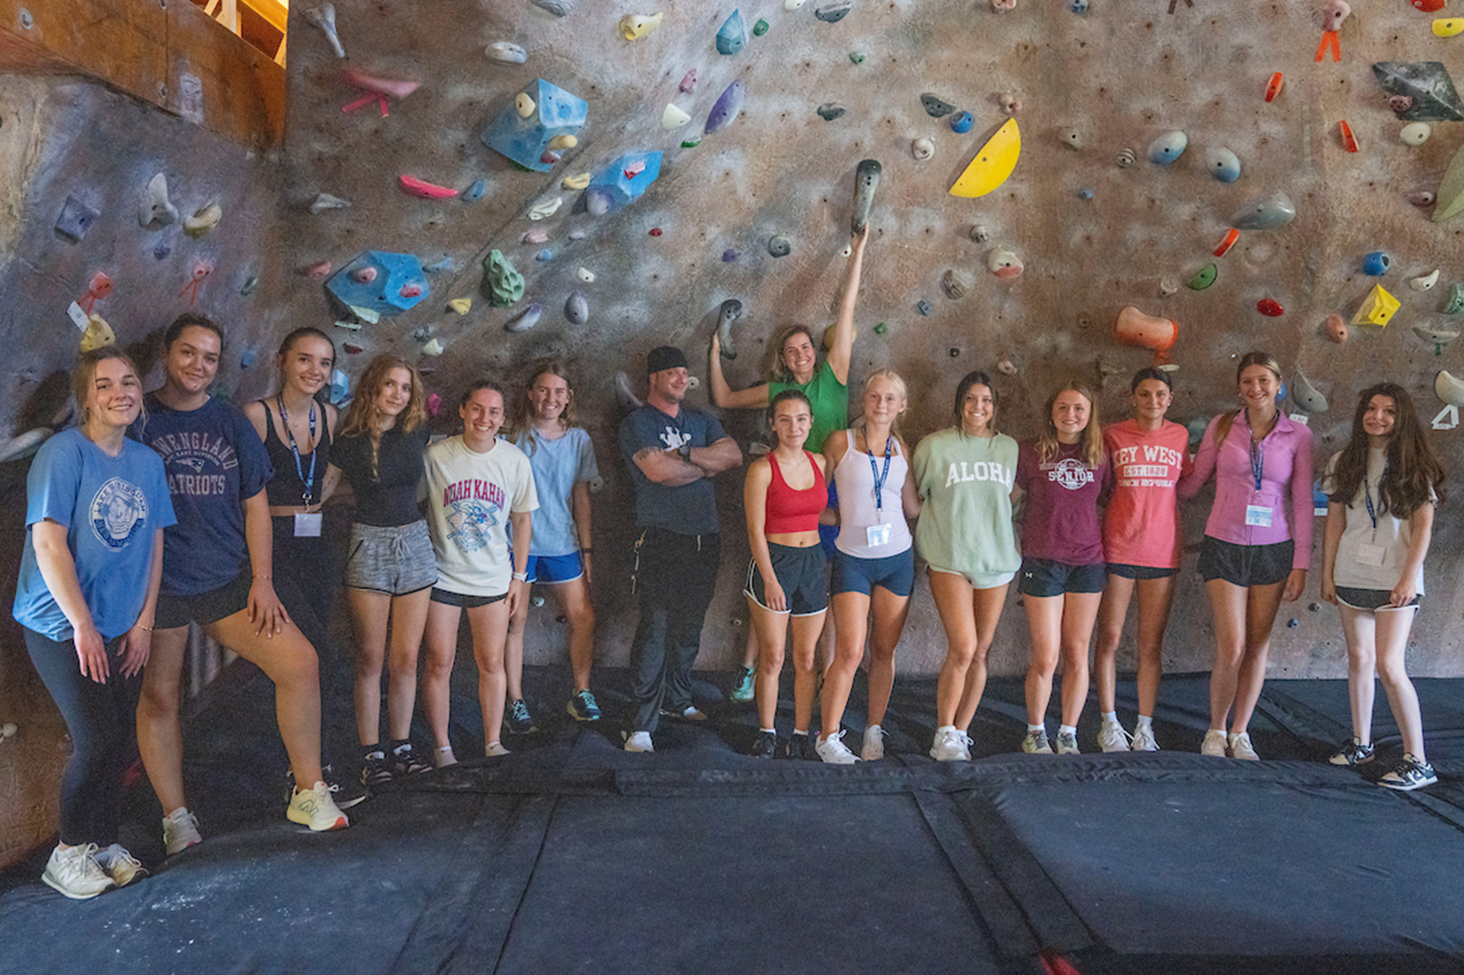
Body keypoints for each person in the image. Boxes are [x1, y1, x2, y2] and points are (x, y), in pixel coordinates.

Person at [134, 314, 348, 849]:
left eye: (209, 357)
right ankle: (176, 816)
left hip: (226, 577)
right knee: (160, 695)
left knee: (301, 662)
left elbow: (256, 506)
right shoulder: (139, 420)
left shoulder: (230, 422)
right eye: (188, 353)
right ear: (167, 353)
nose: (198, 366)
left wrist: (263, 580)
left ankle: (308, 790)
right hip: (158, 585)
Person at [14, 349, 174, 897]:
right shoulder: (63, 454)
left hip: (121, 623)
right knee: (94, 739)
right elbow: (48, 541)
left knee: (118, 738)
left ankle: (102, 844)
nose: (119, 392)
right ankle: (66, 853)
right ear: (86, 397)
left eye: (128, 382)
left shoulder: (146, 463)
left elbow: (154, 544)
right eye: (104, 385)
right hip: (60, 622)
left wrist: (144, 622)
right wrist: (82, 625)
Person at [708, 227, 868, 702]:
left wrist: (856, 251)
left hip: (830, 486)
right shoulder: (778, 393)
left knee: (824, 583)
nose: (801, 354)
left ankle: (823, 675)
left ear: (816, 352)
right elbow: (724, 398)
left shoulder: (834, 375)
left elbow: (847, 308)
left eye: (806, 347)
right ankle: (749, 668)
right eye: (792, 350)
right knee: (773, 581)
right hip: (785, 487)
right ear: (782, 358)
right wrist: (716, 351)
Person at [1180, 351, 1312, 761]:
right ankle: (1216, 730)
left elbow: (1303, 501)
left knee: (1258, 645)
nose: (1256, 389)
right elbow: (1192, 483)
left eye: (1264, 381)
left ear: (1278, 384)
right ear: (1239, 387)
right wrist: (1150, 481)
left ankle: (1241, 732)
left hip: (1275, 549)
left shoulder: (1299, 436)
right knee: (1232, 645)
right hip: (1224, 543)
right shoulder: (1222, 427)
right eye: (1248, 381)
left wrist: (1301, 562)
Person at [1321, 383, 1444, 790]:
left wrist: (1409, 576)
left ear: (1401, 417)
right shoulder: (1344, 461)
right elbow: (1335, 521)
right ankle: (1362, 743)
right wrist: (1327, 573)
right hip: (1351, 574)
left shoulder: (1413, 464)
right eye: (1371, 408)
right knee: (1358, 658)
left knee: (1390, 666)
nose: (1378, 417)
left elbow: (1423, 526)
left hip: (1395, 580)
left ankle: (1418, 761)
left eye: (1388, 411)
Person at [619, 346, 743, 752]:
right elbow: (655, 471)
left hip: (704, 537)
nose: (680, 379)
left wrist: (686, 456)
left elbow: (734, 456)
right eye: (671, 372)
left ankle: (677, 700)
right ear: (653, 378)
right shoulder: (638, 422)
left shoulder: (701, 419)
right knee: (655, 627)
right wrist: (706, 467)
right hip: (659, 537)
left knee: (690, 626)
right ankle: (639, 723)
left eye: (684, 373)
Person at [325, 355, 437, 778]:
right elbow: (322, 490)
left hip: (414, 541)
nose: (397, 394)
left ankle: (403, 745)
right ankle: (372, 753)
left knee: (406, 657)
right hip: (368, 541)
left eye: (405, 387)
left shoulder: (418, 430)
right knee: (371, 656)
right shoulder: (350, 438)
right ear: (373, 386)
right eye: (390, 384)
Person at [420, 381, 538, 761]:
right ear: (462, 410)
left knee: (491, 662)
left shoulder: (515, 460)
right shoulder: (436, 456)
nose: (483, 418)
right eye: (476, 408)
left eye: (493, 412)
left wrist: (519, 578)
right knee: (440, 661)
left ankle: (493, 742)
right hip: (442, 576)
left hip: (493, 578)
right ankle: (442, 747)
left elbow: (522, 523)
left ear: (503, 419)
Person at [913, 372, 1020, 762]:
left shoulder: (1008, 448)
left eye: (987, 400)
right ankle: (943, 732)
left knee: (981, 652)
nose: (979, 407)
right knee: (963, 646)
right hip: (950, 557)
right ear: (960, 403)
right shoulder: (934, 446)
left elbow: (1011, 499)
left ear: (995, 406)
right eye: (971, 399)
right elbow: (918, 497)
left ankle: (962, 731)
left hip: (996, 559)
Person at [818, 370, 920, 763]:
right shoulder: (840, 442)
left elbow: (910, 506)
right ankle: (828, 736)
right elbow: (815, 496)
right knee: (849, 651)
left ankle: (873, 731)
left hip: (897, 558)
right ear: (864, 400)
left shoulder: (902, 450)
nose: (881, 404)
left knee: (883, 650)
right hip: (853, 559)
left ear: (901, 406)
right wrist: (835, 519)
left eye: (890, 398)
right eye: (875, 396)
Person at [1092, 368, 1192, 752]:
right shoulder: (1111, 434)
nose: (1153, 401)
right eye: (1145, 394)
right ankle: (1109, 722)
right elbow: (1102, 487)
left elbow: (1186, 485)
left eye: (1161, 394)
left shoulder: (1180, 436)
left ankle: (1145, 726)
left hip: (1162, 551)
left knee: (1150, 644)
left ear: (1170, 399)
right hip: (1117, 547)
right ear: (1132, 397)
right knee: (1111, 637)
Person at [503, 359, 600, 730]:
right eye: (543, 389)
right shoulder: (512, 435)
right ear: (530, 393)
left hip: (562, 542)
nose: (550, 397)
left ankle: (581, 692)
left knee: (584, 617)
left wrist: (587, 552)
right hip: (517, 545)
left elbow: (582, 498)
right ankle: (515, 699)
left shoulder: (579, 439)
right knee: (515, 620)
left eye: (559, 391)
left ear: (568, 397)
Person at [1014, 382, 1110, 756]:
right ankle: (1036, 731)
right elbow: (1007, 502)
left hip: (1088, 562)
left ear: (1090, 415)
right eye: (1063, 407)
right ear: (1051, 411)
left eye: (1079, 409)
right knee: (1046, 655)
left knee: (1077, 650)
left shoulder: (1101, 455)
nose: (1070, 414)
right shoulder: (1030, 452)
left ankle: (1068, 732)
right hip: (1043, 559)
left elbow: (1107, 500)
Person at [742, 390, 830, 758]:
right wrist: (770, 579)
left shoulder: (821, 463)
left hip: (813, 562)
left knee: (807, 658)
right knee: (774, 656)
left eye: (800, 419)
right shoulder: (762, 469)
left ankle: (799, 732)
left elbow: (822, 513)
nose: (794, 426)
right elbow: (754, 531)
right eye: (785, 419)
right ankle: (766, 732)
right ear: (773, 425)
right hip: (774, 562)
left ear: (810, 423)